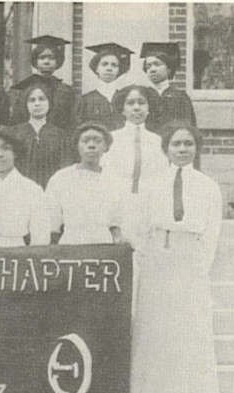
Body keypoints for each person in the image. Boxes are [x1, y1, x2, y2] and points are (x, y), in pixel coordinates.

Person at [129, 121, 222, 393]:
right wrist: (147, 260)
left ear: (196, 148)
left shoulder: (207, 186)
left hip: (189, 262)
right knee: (156, 332)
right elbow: (140, 226)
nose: (182, 150)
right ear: (166, 149)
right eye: (176, 144)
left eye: (188, 144)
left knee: (188, 332)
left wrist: (197, 268)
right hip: (157, 260)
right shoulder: (151, 184)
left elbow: (212, 233)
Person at [102, 85, 168, 241]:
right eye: (131, 103)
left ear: (149, 108)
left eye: (141, 103)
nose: (136, 107)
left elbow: (163, 177)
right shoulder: (111, 139)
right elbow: (105, 177)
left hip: (149, 204)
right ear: (122, 109)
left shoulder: (158, 141)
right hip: (120, 203)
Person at [46, 122, 125, 245]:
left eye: (97, 141)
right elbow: (52, 223)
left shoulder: (114, 180)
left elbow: (116, 223)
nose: (91, 145)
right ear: (77, 145)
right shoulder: (61, 178)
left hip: (103, 245)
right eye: (85, 141)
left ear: (106, 147)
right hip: (70, 244)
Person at [10, 79, 72, 188]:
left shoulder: (61, 135)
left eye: (42, 99)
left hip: (52, 190)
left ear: (49, 102)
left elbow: (65, 170)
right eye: (32, 100)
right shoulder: (15, 133)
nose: (37, 103)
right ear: (25, 104)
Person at [11, 35, 76, 130]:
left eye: (51, 58)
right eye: (42, 58)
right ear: (35, 61)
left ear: (58, 61)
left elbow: (71, 120)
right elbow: (17, 119)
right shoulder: (24, 88)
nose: (46, 61)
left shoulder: (65, 90)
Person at [141, 42, 196, 132]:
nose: (152, 69)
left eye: (157, 64)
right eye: (148, 66)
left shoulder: (180, 97)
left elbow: (189, 129)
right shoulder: (142, 95)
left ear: (169, 68)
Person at [77, 42, 134, 130]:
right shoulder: (85, 100)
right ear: (96, 68)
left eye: (114, 65)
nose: (109, 68)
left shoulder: (125, 98)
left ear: (119, 70)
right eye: (104, 64)